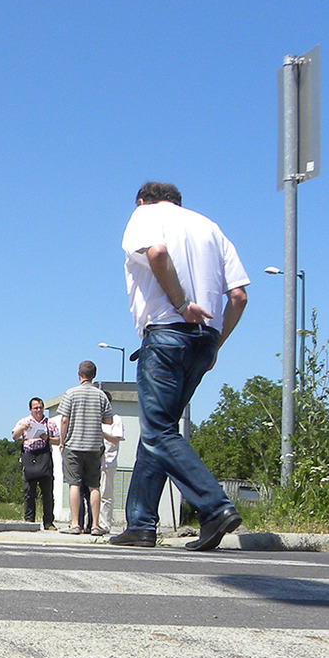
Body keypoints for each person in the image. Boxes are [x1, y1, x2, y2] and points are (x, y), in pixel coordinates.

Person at [111, 182, 250, 551]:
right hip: (204, 342)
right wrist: (216, 343)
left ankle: (215, 507)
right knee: (159, 430)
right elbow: (238, 296)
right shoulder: (210, 227)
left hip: (167, 334)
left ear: (143, 200)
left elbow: (156, 253)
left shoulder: (145, 214)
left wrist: (183, 304)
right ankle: (141, 523)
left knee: (158, 431)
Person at [56, 361, 109, 535]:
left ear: (79, 373)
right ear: (94, 375)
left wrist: (62, 441)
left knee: (74, 484)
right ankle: (95, 525)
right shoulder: (101, 395)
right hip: (93, 446)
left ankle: (75, 524)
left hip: (73, 445)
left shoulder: (71, 393)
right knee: (94, 486)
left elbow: (64, 419)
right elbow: (108, 420)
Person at [12, 397, 59, 528]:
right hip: (29, 457)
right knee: (29, 492)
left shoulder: (50, 423)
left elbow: (59, 440)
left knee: (47, 493)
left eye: (40, 407)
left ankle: (48, 522)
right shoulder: (24, 421)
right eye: (35, 408)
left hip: (45, 458)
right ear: (30, 409)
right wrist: (23, 428)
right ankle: (29, 521)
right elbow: (14, 436)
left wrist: (47, 438)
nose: (38, 410)